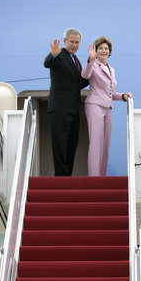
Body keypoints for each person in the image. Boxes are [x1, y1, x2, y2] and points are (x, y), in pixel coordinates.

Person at [81, 36, 132, 176]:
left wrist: (122, 96)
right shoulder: (93, 65)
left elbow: (111, 93)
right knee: (96, 143)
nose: (104, 51)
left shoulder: (111, 69)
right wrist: (90, 60)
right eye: (101, 48)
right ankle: (94, 178)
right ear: (96, 51)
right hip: (95, 105)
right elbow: (85, 75)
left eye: (106, 49)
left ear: (110, 51)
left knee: (105, 144)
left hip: (107, 108)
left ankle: (102, 177)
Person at [44, 28, 89, 176]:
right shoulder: (60, 54)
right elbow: (48, 63)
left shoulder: (76, 60)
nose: (74, 45)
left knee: (71, 145)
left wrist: (93, 69)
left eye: (77, 42)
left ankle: (67, 178)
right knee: (60, 146)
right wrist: (53, 55)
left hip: (73, 110)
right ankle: (61, 180)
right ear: (65, 41)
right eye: (72, 42)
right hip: (60, 109)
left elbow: (78, 83)